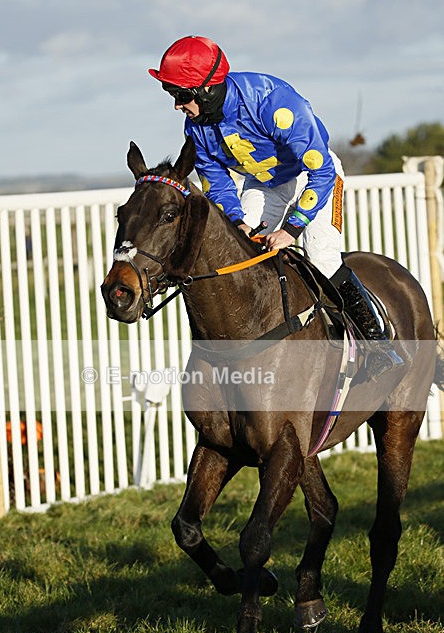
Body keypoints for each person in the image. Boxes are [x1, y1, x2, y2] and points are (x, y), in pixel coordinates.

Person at [149, 35, 402, 379]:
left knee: (321, 256)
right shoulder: (196, 128)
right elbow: (218, 184)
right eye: (173, 96)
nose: (177, 105)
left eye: (181, 96)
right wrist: (236, 221)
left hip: (315, 177)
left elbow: (322, 171)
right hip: (265, 184)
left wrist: (292, 229)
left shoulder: (274, 104)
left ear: (207, 89)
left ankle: (380, 345)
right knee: (241, 251)